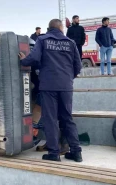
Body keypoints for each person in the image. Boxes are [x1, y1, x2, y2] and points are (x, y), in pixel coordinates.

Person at [19, 19, 83, 162]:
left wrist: (23, 60)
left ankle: (54, 153)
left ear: (49, 28)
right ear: (61, 28)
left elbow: (34, 59)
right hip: (66, 86)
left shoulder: (42, 40)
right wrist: (67, 79)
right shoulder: (71, 43)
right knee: (67, 118)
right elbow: (78, 67)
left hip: (48, 86)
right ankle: (76, 152)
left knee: (51, 119)